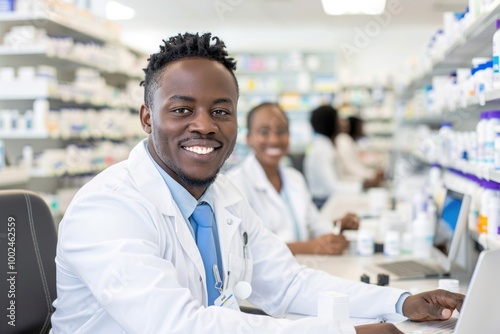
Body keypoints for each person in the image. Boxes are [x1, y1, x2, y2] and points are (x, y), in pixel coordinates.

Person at [50, 32, 463, 333]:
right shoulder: (108, 206)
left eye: (220, 111)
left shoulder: (223, 194)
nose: (204, 126)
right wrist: (343, 333)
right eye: (181, 109)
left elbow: (288, 284)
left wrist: (400, 302)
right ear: (147, 118)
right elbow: (179, 326)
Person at [226, 102, 357, 255]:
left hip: (302, 271)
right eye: (264, 132)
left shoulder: (295, 178)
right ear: (249, 138)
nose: (274, 140)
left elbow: (315, 225)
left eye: (281, 131)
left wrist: (338, 226)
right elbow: (245, 250)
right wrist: (309, 247)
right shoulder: (234, 184)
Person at [303, 105, 383, 209]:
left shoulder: (327, 146)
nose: (343, 123)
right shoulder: (320, 151)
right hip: (323, 204)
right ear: (330, 122)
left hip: (331, 200)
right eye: (338, 119)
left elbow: (341, 178)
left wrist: (365, 182)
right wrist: (364, 185)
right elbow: (331, 188)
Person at [335, 115, 384, 183]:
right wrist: (371, 175)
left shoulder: (349, 142)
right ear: (354, 127)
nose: (362, 129)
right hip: (349, 183)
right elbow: (352, 167)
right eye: (360, 126)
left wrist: (372, 174)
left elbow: (356, 166)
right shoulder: (344, 140)